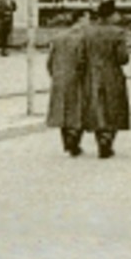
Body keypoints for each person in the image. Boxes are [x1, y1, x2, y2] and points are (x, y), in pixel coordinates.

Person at [83, 0, 131, 158]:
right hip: (112, 74)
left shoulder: (88, 32)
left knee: (97, 107)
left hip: (91, 74)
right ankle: (108, 139)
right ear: (110, 15)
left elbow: (81, 56)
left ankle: (100, 139)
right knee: (113, 106)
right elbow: (122, 58)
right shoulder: (118, 33)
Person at [45, 11, 91, 157]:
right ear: (81, 19)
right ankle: (74, 143)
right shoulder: (84, 38)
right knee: (78, 111)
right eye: (88, 19)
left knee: (62, 112)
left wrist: (55, 75)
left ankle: (67, 142)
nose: (89, 22)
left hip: (59, 79)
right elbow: (83, 61)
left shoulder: (58, 37)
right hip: (77, 79)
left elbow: (50, 61)